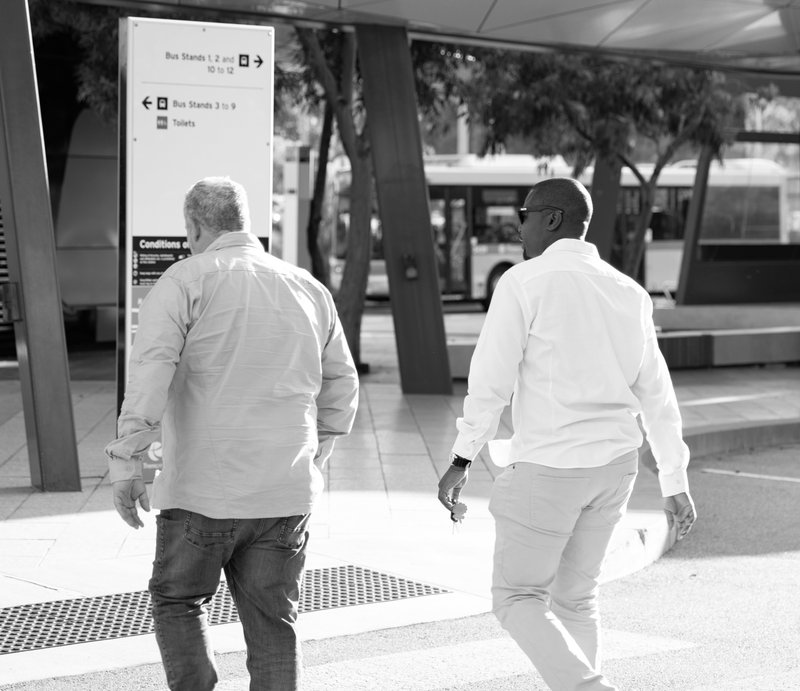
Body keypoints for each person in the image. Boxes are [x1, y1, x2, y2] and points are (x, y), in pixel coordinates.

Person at [438, 177, 696, 691]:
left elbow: (491, 382)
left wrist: (461, 459)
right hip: (614, 468)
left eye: (525, 214)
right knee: (576, 598)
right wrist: (674, 480)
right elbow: (658, 396)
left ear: (553, 219)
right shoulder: (630, 292)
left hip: (550, 467)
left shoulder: (523, 282)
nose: (519, 228)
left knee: (515, 597)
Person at [105, 177, 359, 690]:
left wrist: (129, 464)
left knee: (178, 601)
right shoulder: (307, 287)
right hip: (285, 493)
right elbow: (342, 383)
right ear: (246, 223)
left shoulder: (183, 281)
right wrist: (317, 454)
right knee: (273, 623)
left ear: (195, 226)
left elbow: (151, 376)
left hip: (202, 492)